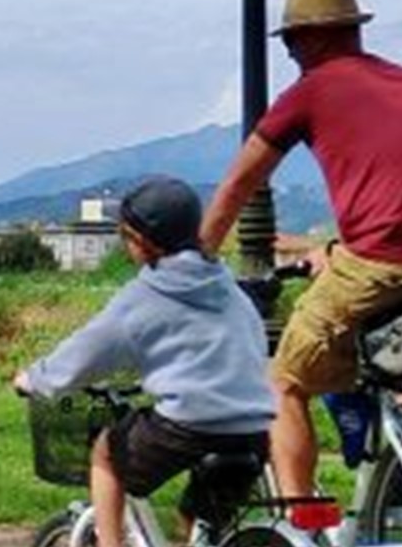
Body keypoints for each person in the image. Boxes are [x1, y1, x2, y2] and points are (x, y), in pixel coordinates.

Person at [199, 0, 402, 497]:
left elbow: (240, 181)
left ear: (312, 38)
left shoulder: (311, 90)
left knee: (282, 384)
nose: (289, 54)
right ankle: (401, 458)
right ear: (353, 31)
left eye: (289, 43)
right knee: (379, 362)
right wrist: (334, 249)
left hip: (384, 259)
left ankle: (299, 519)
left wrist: (196, 258)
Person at [17, 177, 276, 547]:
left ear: (144, 241)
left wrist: (36, 378)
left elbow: (89, 349)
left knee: (107, 452)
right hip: (252, 428)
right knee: (202, 519)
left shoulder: (147, 292)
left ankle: (110, 543)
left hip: (188, 426)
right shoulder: (226, 285)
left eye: (127, 236)